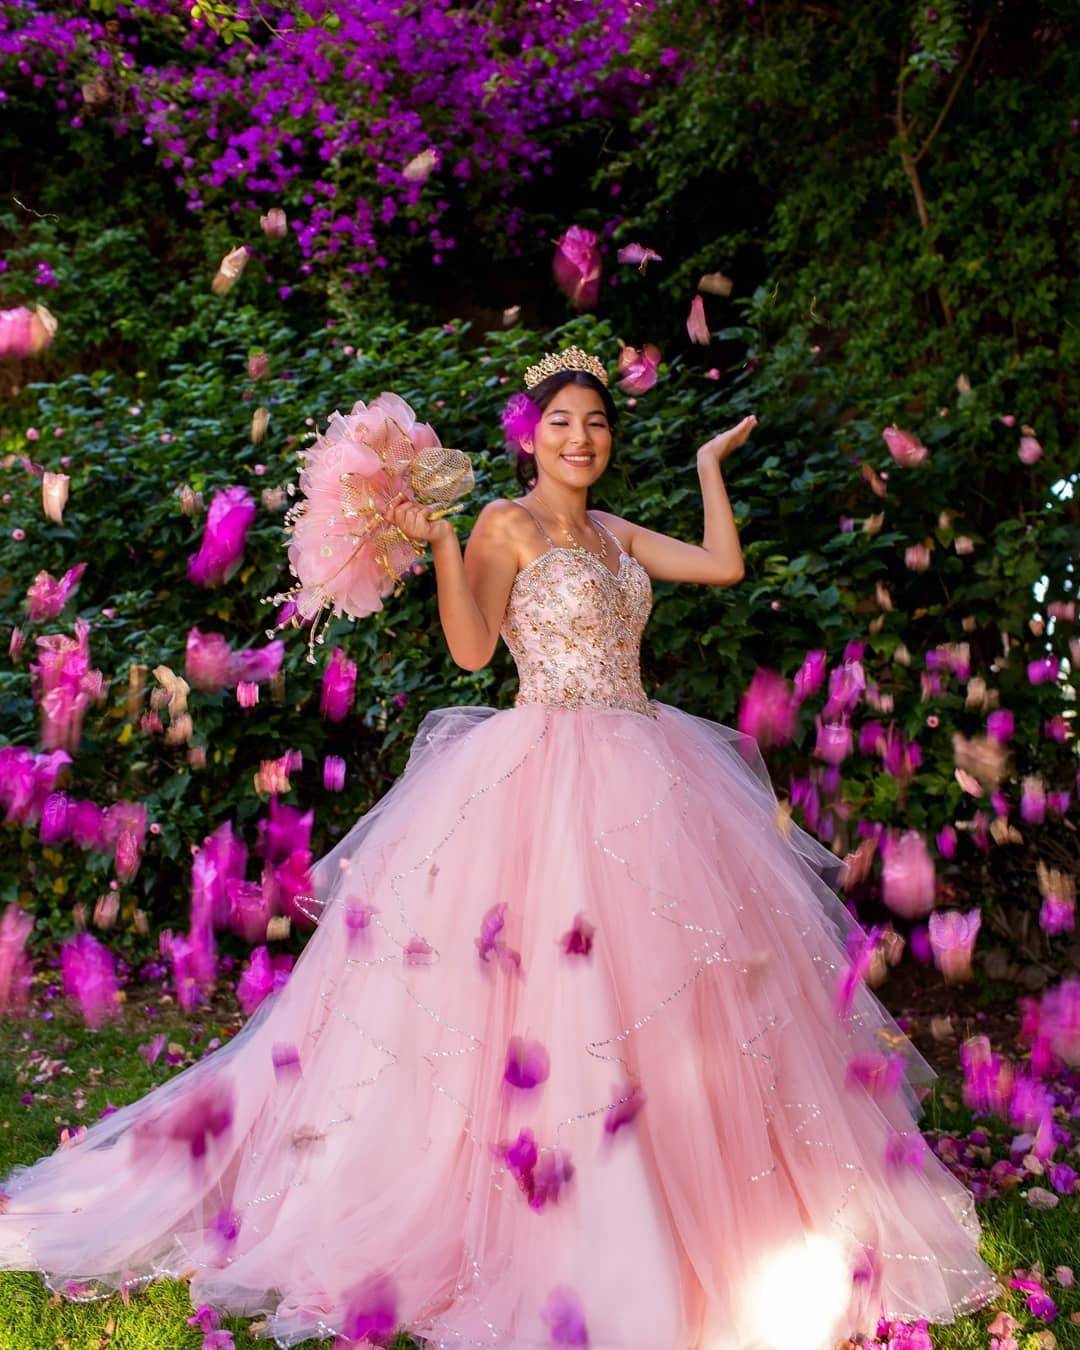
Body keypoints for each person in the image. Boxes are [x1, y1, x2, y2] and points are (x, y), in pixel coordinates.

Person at [0, 346, 1000, 1349]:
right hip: (543, 765)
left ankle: (682, 1185)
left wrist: (707, 467)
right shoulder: (504, 523)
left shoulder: (611, 532)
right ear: (533, 434)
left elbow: (723, 564)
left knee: (678, 977)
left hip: (649, 766)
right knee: (553, 985)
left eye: (597, 423)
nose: (582, 437)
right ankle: (574, 1205)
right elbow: (474, 651)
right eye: (563, 421)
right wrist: (440, 539)